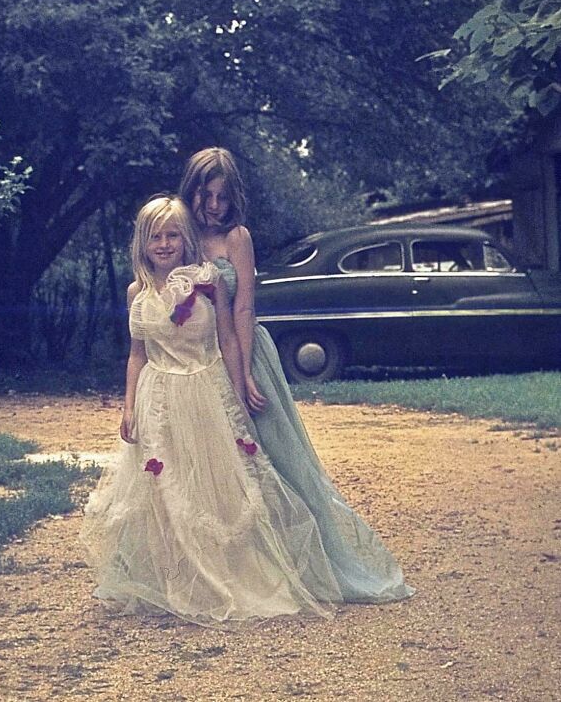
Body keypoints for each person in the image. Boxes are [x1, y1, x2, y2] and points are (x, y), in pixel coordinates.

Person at [80, 196, 360, 627]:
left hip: (207, 391)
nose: (165, 244)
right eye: (156, 236)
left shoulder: (208, 282)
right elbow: (137, 355)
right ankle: (179, 578)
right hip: (159, 399)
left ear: (186, 239)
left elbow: (228, 339)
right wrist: (128, 406)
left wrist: (239, 384)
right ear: (142, 242)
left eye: (173, 235)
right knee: (168, 488)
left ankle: (229, 575)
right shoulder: (137, 292)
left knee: (218, 485)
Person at [179, 148, 414, 603]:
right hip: (195, 361)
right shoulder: (180, 236)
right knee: (210, 465)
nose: (213, 206)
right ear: (190, 190)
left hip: (244, 355)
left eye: (223, 197)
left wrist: (243, 373)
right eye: (205, 195)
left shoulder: (237, 238)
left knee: (272, 460)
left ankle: (301, 563)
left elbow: (245, 305)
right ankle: (224, 568)